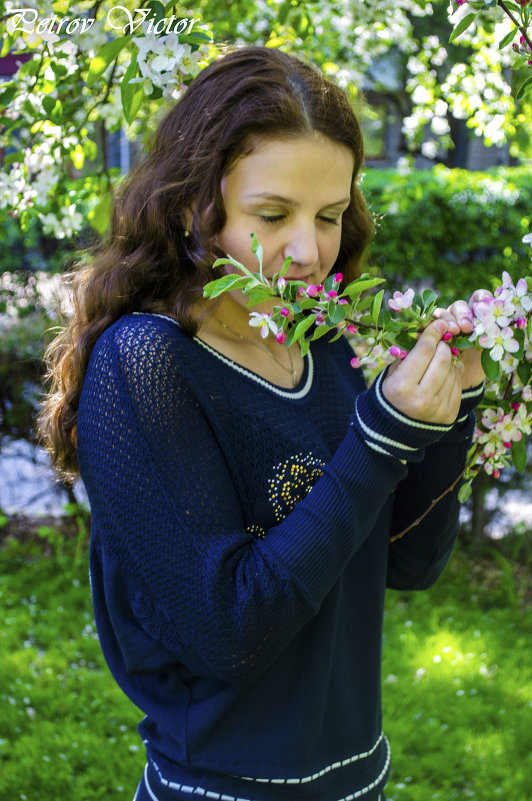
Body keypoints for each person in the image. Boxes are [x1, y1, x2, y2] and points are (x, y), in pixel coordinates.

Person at [39, 46, 488, 801]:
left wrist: (450, 412)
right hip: (218, 789)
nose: (309, 252)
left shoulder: (333, 344)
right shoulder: (146, 364)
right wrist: (379, 437)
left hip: (357, 780)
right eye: (272, 214)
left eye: (331, 216)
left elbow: (409, 564)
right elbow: (231, 630)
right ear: (193, 203)